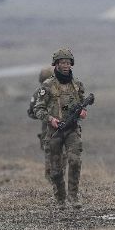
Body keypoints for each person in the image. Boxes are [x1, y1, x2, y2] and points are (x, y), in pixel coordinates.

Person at [33, 49, 87, 208]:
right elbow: (38, 109)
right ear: (56, 64)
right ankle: (60, 199)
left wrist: (83, 111)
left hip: (72, 130)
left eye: (68, 62)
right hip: (54, 131)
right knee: (55, 170)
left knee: (75, 161)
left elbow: (82, 103)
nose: (65, 65)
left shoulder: (76, 84)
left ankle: (73, 197)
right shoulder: (47, 85)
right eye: (62, 62)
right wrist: (50, 119)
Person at [27, 66, 56, 183]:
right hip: (65, 131)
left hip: (48, 132)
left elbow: (32, 112)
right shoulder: (64, 90)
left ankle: (52, 184)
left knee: (50, 159)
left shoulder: (39, 92)